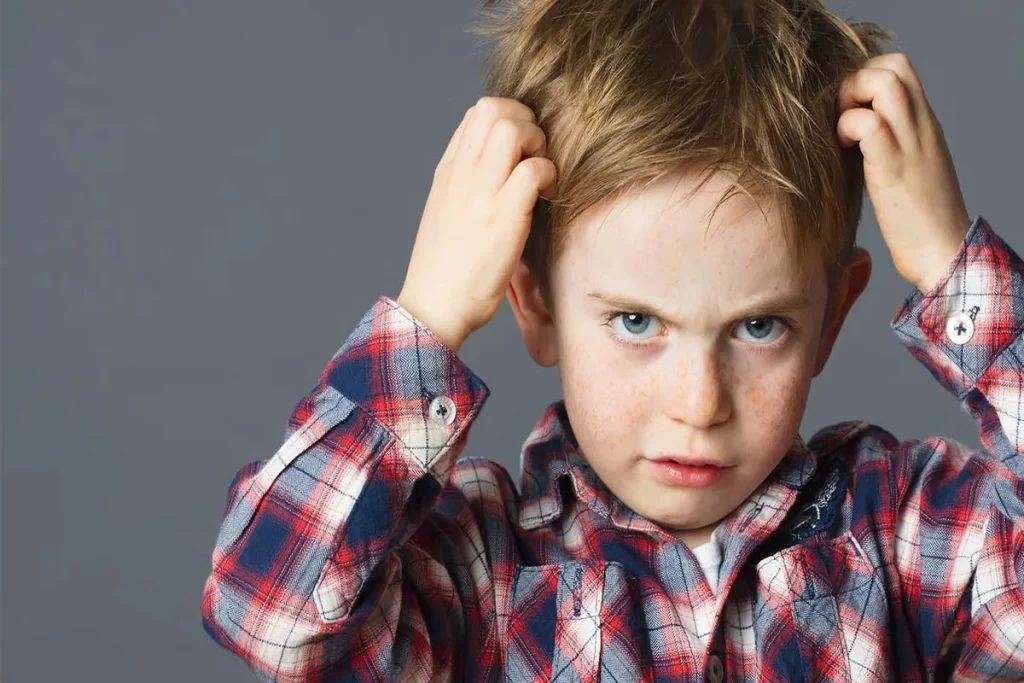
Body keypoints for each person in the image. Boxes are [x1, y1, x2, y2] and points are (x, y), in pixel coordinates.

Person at [201, 1, 1023, 680]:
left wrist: (957, 268)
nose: (698, 403)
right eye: (636, 322)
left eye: (759, 326)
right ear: (537, 307)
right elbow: (271, 612)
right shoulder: (481, 572)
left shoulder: (902, 533)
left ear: (831, 319)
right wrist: (430, 314)